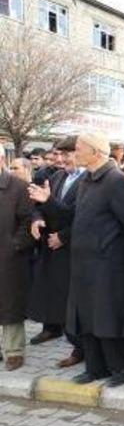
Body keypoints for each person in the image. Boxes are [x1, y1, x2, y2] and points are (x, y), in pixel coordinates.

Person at [64, 133, 124, 387]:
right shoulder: (86, 180)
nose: (74, 153)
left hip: (108, 266)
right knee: (86, 318)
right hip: (83, 264)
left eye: (78, 149)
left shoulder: (115, 180)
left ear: (95, 152)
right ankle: (96, 369)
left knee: (109, 318)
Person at [26, 136, 86, 369]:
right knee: (58, 302)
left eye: (66, 154)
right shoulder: (57, 177)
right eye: (58, 155)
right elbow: (38, 206)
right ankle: (71, 341)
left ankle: (81, 348)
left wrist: (63, 237)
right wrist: (37, 220)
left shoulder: (87, 181)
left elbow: (80, 217)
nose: (60, 160)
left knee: (76, 305)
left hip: (73, 249)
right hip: (52, 249)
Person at [0, 149, 33, 371]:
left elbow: (27, 221)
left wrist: (15, 245)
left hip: (8, 257)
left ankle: (13, 351)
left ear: (2, 160)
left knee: (10, 304)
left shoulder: (17, 187)